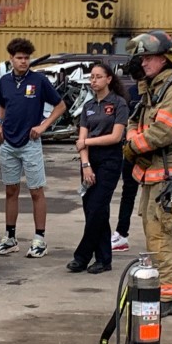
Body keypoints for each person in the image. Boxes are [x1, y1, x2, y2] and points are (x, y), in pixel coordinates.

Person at [123, 30, 172, 317]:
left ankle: (167, 296)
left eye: (147, 58)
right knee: (165, 231)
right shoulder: (155, 87)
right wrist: (133, 141)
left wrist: (133, 145)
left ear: (164, 59)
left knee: (162, 233)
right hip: (156, 172)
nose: (142, 63)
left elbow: (163, 131)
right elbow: (134, 121)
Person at [0, 37, 66, 259]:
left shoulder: (39, 80)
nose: (23, 62)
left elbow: (60, 105)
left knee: (36, 190)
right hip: (8, 144)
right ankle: (10, 237)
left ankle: (40, 239)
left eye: (26, 58)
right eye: (19, 58)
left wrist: (43, 126)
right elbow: (2, 106)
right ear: (11, 59)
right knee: (10, 190)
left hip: (31, 143)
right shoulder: (4, 81)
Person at [66, 63, 130, 274]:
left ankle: (82, 256)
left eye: (98, 77)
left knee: (96, 209)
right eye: (91, 77)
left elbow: (116, 137)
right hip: (89, 163)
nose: (94, 81)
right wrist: (85, 164)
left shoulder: (119, 104)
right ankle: (103, 259)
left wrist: (88, 143)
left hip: (109, 161)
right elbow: (81, 139)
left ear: (109, 79)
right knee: (94, 210)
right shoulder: (88, 106)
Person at [110, 82, 142, 253]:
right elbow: (128, 121)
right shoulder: (131, 93)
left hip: (157, 155)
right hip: (132, 152)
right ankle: (122, 234)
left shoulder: (165, 91)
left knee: (157, 196)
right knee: (128, 192)